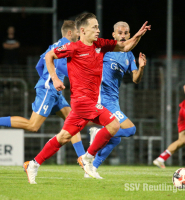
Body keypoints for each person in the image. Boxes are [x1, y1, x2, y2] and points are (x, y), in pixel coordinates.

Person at [23, 13, 151, 184]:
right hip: (83, 101)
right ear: (82, 30)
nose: (98, 30)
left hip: (86, 104)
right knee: (113, 125)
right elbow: (49, 56)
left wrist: (138, 35)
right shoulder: (73, 47)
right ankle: (87, 158)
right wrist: (54, 78)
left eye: (98, 26)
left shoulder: (100, 45)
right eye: (94, 27)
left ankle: (33, 164)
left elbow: (125, 47)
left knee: (63, 137)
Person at [0, 20, 86, 158]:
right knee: (33, 125)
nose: (79, 34)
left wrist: (45, 79)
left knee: (74, 121)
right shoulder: (65, 46)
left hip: (53, 90)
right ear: (70, 32)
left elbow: (39, 65)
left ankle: (83, 160)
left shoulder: (53, 45)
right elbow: (61, 67)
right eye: (77, 31)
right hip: (49, 90)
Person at [83, 21, 147, 179]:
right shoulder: (107, 49)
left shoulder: (129, 55)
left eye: (126, 33)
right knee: (130, 130)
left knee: (115, 138)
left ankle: (91, 169)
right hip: (103, 98)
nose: (123, 36)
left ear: (129, 35)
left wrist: (142, 67)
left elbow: (136, 80)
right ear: (113, 35)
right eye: (120, 33)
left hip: (114, 99)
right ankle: (98, 133)